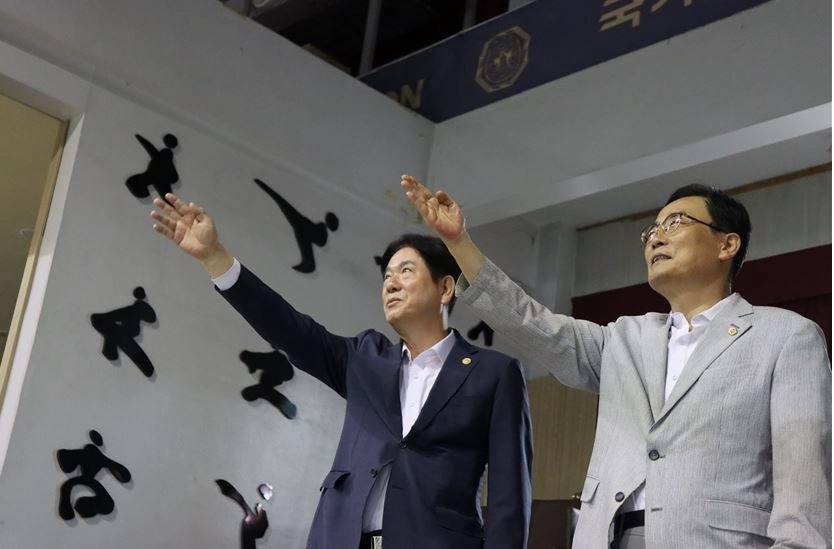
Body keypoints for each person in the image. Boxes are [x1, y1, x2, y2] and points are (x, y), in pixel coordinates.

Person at [402, 175, 831, 549]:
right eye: (652, 231)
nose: (656, 238)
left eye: (675, 223)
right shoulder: (624, 339)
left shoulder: (785, 336)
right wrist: (459, 243)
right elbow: (536, 326)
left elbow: (805, 485)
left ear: (727, 244)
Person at [150, 193, 532, 549]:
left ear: (445, 288)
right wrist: (215, 257)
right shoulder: (365, 358)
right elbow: (289, 328)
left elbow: (509, 499)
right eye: (386, 276)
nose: (391, 284)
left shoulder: (493, 374)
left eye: (405, 271)